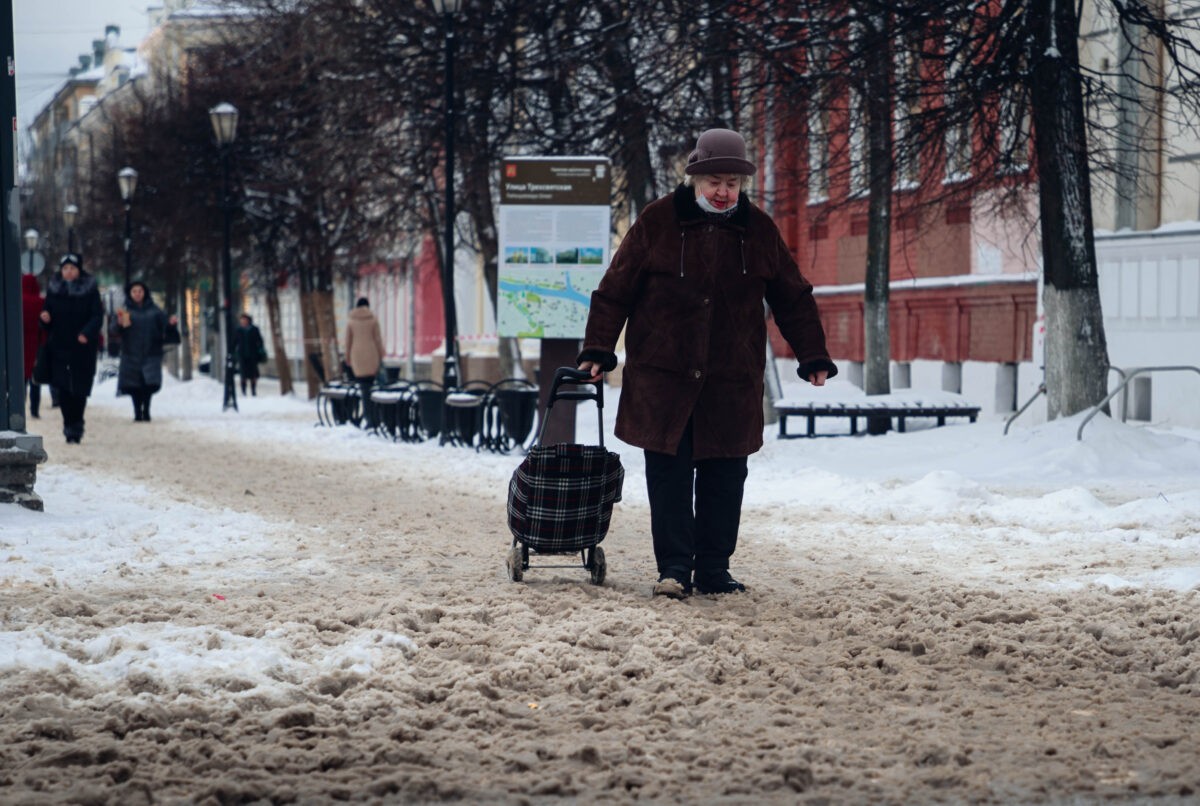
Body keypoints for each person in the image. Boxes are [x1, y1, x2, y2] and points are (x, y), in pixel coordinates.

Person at [577, 128, 838, 599]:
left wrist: (812, 354)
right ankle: (674, 568)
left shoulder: (757, 229)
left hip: (729, 380)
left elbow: (792, 295)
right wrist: (598, 349)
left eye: (732, 185)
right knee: (670, 477)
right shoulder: (658, 221)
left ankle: (715, 568)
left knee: (725, 477)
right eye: (715, 181)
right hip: (663, 378)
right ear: (694, 177)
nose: (723, 193)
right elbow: (615, 289)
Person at [39, 254, 104, 443]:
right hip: (59, 346)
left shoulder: (90, 291)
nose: (68, 272)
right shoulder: (54, 289)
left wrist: (87, 332)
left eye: (72, 268)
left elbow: (97, 316)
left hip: (82, 347)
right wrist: (45, 319)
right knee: (62, 387)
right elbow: (46, 315)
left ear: (79, 270)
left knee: (80, 388)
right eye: (65, 268)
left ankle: (77, 423)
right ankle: (69, 425)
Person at [116, 280, 180, 422]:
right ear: (130, 294)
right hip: (131, 353)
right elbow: (116, 332)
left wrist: (171, 324)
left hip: (151, 352)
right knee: (134, 386)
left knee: (148, 385)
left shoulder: (155, 311)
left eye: (140, 291)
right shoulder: (126, 311)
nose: (137, 294)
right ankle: (137, 411)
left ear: (145, 293)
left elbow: (165, 325)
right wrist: (119, 324)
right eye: (134, 291)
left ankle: (147, 410)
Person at [344, 296, 384, 428]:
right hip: (372, 355)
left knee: (363, 387)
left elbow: (348, 342)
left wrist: (347, 357)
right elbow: (377, 339)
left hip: (357, 356)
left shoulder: (351, 321)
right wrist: (382, 354)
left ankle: (367, 416)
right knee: (372, 387)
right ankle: (373, 416)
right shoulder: (373, 319)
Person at [21, 274, 46, 419]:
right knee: (35, 381)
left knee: (21, 381)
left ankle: (19, 408)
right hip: (36, 345)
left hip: (21, 347)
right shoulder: (41, 302)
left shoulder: (17, 302)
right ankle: (34, 410)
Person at [235, 314, 266, 396]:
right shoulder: (238, 330)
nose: (243, 322)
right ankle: (243, 391)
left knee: (253, 374)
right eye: (242, 320)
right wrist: (234, 352)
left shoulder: (254, 329)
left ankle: (253, 390)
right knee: (243, 374)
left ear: (248, 321)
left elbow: (260, 341)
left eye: (244, 320)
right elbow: (234, 342)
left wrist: (260, 349)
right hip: (242, 355)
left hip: (253, 355)